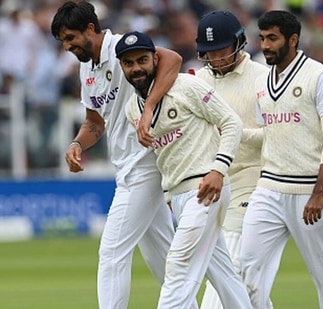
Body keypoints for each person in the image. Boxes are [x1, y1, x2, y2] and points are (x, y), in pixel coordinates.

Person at [50, 2, 180, 308]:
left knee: (111, 252)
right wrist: (77, 144)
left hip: (144, 164)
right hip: (126, 166)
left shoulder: (122, 47)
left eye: (70, 38)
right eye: (63, 42)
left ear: (91, 29)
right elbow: (95, 122)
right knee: (164, 261)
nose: (67, 47)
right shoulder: (87, 68)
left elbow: (172, 59)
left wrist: (148, 109)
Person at [117, 30, 251, 309]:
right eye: (129, 64)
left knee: (178, 267)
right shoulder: (133, 108)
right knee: (224, 276)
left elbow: (231, 123)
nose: (136, 68)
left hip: (205, 187)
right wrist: (168, 197)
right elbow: (163, 155)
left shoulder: (186, 86)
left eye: (142, 60)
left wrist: (218, 169)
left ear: (155, 58)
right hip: (178, 196)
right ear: (122, 67)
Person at [238, 10, 323, 309]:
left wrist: (320, 192)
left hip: (310, 190)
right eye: (262, 38)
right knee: (246, 272)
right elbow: (270, 134)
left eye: (273, 38)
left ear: (293, 39)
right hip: (269, 188)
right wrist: (234, 134)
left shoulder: (320, 77)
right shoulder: (261, 80)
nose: (266, 45)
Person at [193, 10, 269, 309]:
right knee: (245, 286)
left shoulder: (264, 78)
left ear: (239, 43)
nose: (215, 59)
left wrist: (232, 132)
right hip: (210, 182)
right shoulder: (197, 81)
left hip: (253, 179)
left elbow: (276, 137)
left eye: (221, 50)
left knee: (232, 265)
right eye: (208, 53)